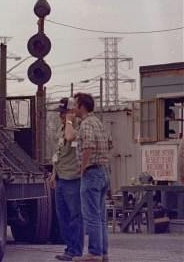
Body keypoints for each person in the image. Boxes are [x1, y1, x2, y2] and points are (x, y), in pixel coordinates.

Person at [65, 93, 110, 262]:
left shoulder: (85, 124)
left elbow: (89, 146)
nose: (72, 108)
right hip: (103, 171)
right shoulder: (98, 123)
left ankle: (94, 253)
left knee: (91, 215)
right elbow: (109, 143)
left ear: (82, 106)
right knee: (100, 217)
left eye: (75, 105)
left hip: (91, 173)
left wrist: (83, 168)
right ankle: (103, 252)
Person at [50, 98, 83, 261]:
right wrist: (53, 173)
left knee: (75, 216)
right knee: (62, 216)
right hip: (61, 177)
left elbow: (70, 138)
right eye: (60, 113)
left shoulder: (78, 127)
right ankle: (69, 248)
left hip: (73, 178)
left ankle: (75, 251)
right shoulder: (61, 128)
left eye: (63, 113)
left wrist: (70, 120)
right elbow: (58, 152)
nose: (60, 116)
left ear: (71, 112)